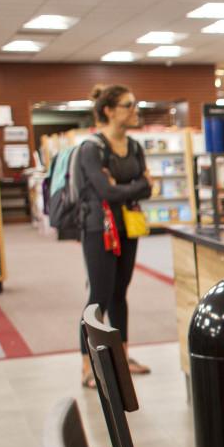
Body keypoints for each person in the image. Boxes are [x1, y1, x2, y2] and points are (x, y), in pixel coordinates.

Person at [78, 84, 155, 388]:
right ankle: (88, 365)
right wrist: (135, 185)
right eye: (129, 105)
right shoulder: (92, 148)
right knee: (98, 296)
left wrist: (126, 188)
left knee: (120, 293)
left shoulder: (134, 147)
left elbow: (146, 188)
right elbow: (105, 191)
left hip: (128, 227)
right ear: (109, 110)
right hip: (99, 229)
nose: (135, 110)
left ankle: (122, 358)